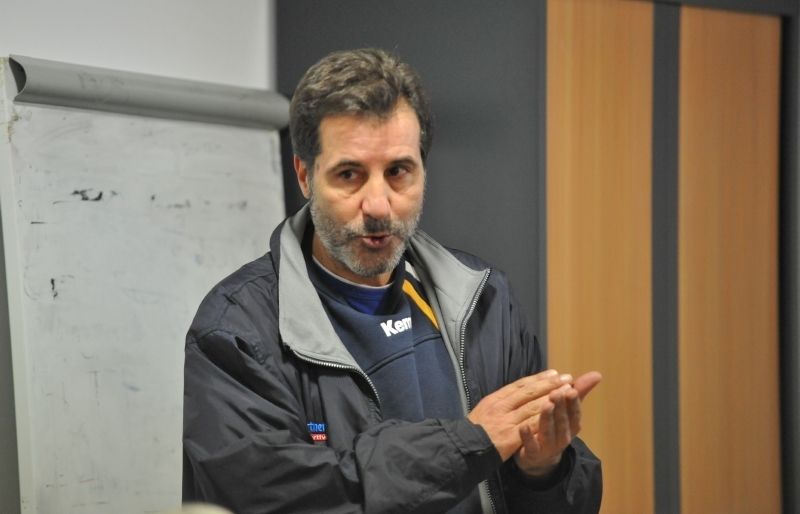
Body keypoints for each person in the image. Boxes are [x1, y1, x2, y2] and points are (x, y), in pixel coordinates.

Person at [183, 48, 602, 514]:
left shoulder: (483, 300)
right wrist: (466, 443)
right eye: (350, 174)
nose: (379, 204)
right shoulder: (236, 331)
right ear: (304, 175)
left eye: (398, 172)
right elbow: (273, 501)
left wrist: (541, 469)